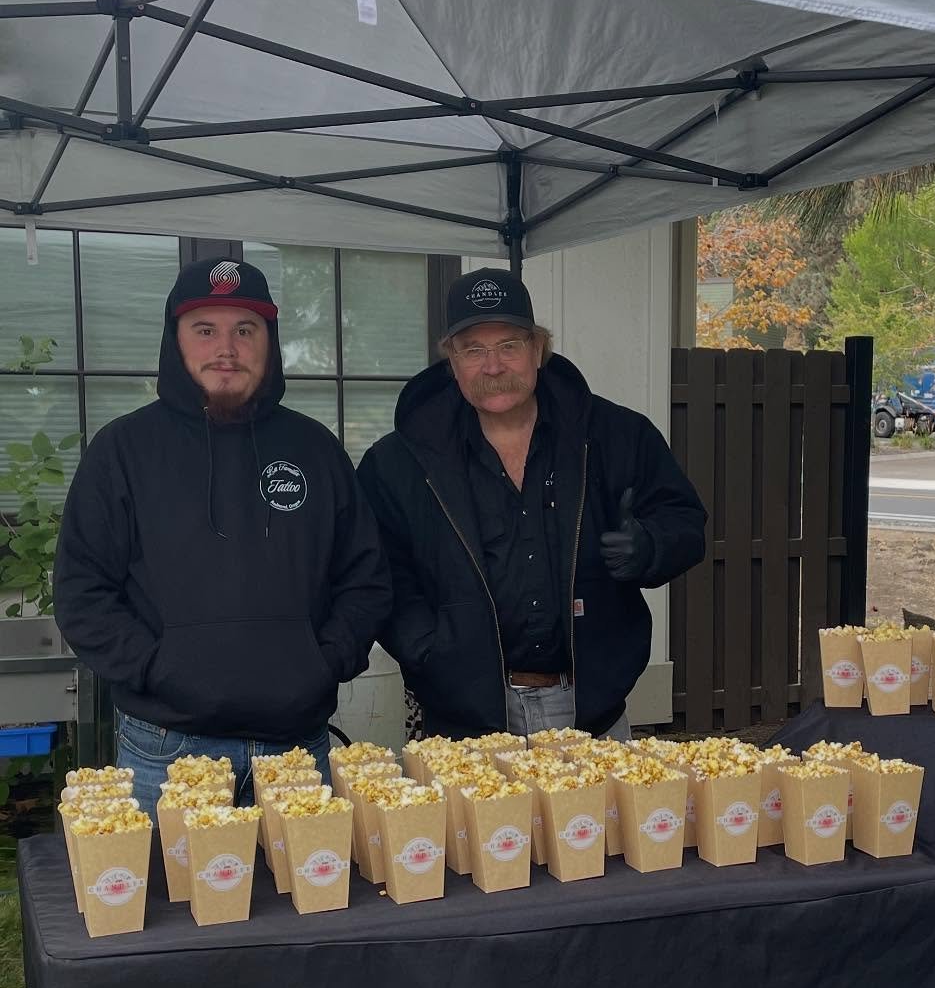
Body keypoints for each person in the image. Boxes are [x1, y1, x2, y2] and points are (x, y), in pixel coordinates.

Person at [54, 256, 390, 815]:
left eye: (245, 329)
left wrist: (324, 660)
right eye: (204, 329)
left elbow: (366, 578)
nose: (225, 348)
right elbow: (82, 590)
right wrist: (157, 668)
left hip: (295, 744)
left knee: (309, 897)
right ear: (176, 340)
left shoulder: (315, 449)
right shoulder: (122, 451)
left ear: (269, 341)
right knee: (168, 901)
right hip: (166, 746)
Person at [357, 269, 706, 740]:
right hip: (464, 723)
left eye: (509, 345)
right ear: (451, 360)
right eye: (474, 350)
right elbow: (378, 570)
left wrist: (651, 546)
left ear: (538, 349)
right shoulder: (397, 462)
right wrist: (428, 649)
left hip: (594, 714)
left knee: (595, 819)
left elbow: (684, 521)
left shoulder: (616, 435)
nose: (493, 366)